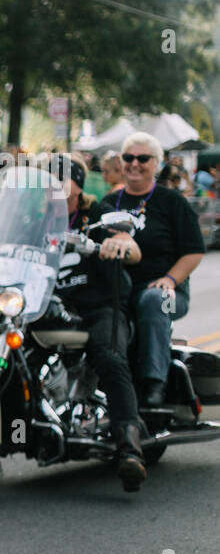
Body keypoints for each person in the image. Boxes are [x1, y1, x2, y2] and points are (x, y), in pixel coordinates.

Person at [50, 155, 146, 490]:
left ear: (77, 184)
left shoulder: (99, 213)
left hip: (99, 306)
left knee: (108, 357)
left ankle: (129, 451)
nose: (51, 185)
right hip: (47, 307)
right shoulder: (34, 218)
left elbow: (132, 247)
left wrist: (119, 244)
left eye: (59, 178)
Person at [108, 133, 205, 407]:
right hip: (120, 290)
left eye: (143, 158)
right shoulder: (109, 202)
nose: (134, 163)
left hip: (166, 290)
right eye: (128, 158)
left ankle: (155, 384)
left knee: (154, 301)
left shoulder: (172, 201)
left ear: (157, 163)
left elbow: (194, 251)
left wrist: (170, 279)